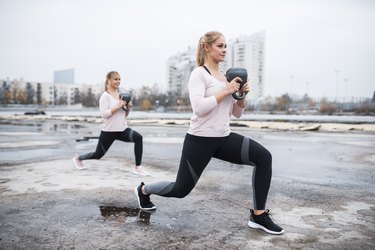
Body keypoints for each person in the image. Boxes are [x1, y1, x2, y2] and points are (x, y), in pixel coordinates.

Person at [135, 31, 284, 234]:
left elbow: (237, 113)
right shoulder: (199, 74)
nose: (224, 50)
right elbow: (199, 108)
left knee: (264, 157)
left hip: (223, 138)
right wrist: (227, 91)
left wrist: (241, 96)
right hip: (199, 140)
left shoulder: (226, 77)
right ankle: (143, 190)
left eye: (225, 46)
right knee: (180, 190)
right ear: (207, 47)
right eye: (220, 46)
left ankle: (258, 216)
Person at [72, 71, 149, 176]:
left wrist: (128, 108)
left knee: (138, 138)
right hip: (109, 131)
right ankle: (78, 158)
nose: (118, 81)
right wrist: (117, 106)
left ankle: (138, 167)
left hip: (122, 129)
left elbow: (123, 115)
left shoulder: (121, 96)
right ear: (109, 80)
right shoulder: (105, 96)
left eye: (119, 79)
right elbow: (104, 114)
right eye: (115, 79)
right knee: (98, 155)